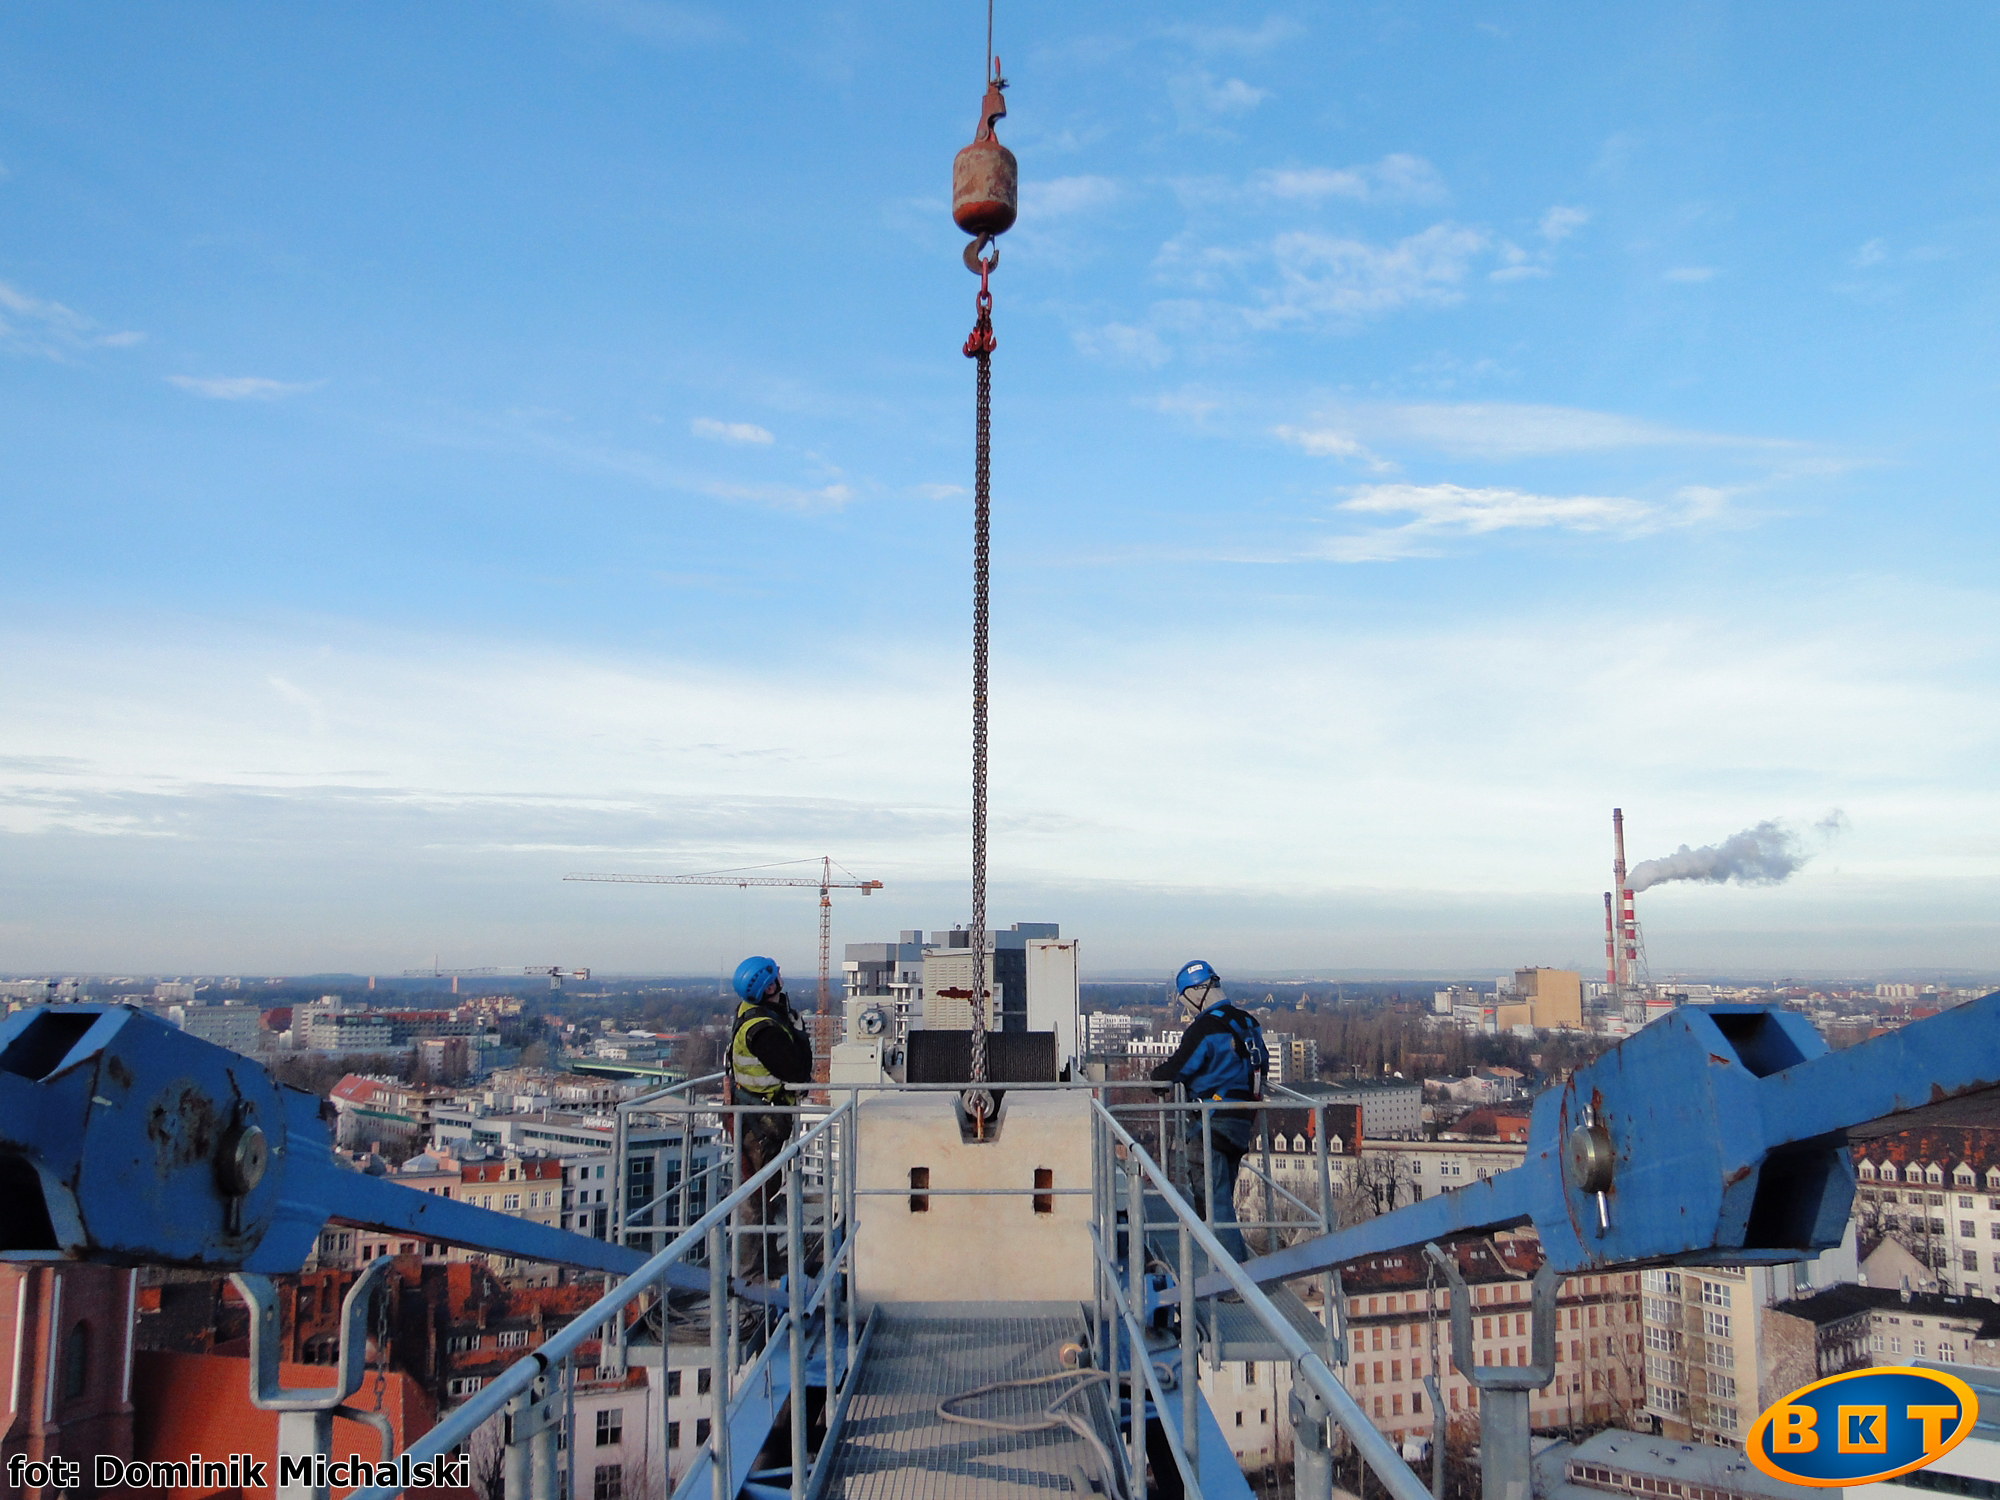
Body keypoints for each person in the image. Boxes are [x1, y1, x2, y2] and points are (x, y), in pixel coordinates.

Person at [1150, 959, 1269, 1262]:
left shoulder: (1204, 1029)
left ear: (1195, 992)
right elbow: (1262, 1065)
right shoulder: (1248, 1023)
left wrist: (1156, 1079)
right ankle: (1229, 1264)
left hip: (1213, 1122)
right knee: (1221, 1198)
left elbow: (1176, 1069)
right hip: (1243, 1121)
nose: (1187, 1008)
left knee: (1215, 1206)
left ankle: (1234, 1275)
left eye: (1185, 1001)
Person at [727, 955, 814, 1280]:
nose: (781, 975)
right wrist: (800, 1034)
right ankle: (752, 1274)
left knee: (765, 1193)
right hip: (760, 1122)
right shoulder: (763, 1030)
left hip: (758, 1117)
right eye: (775, 974)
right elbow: (797, 1071)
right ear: (768, 987)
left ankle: (766, 1264)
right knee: (756, 1197)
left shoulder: (757, 1015)